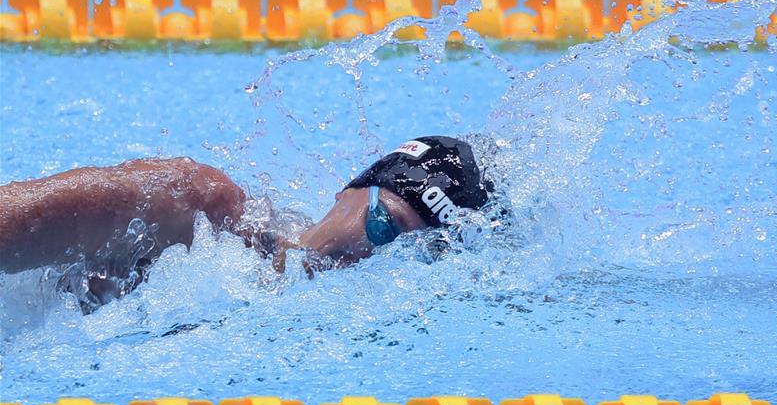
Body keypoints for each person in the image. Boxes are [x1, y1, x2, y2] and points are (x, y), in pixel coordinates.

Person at [0, 136, 491, 307]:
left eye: (411, 258)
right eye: (385, 227)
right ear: (352, 190)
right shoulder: (195, 206)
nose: (372, 257)